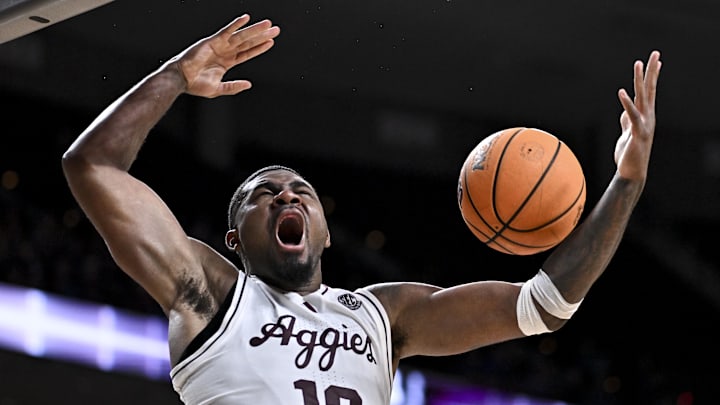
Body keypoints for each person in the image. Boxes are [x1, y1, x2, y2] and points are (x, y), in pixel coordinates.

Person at [61, 14, 661, 405]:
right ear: (235, 241)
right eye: (261, 194)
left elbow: (543, 306)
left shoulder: (382, 315)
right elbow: (93, 167)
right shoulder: (212, 293)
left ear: (323, 235)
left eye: (301, 191)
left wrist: (627, 181)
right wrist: (174, 77)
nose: (286, 195)